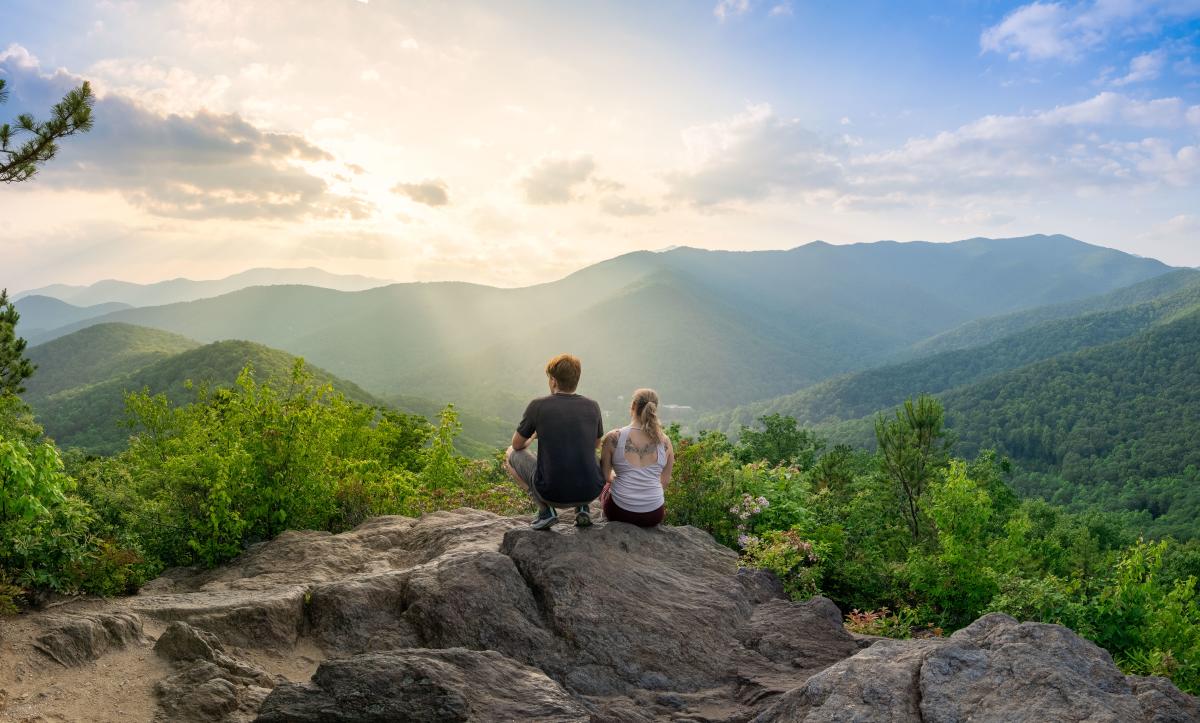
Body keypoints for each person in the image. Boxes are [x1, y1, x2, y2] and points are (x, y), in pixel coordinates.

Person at [505, 353, 605, 530]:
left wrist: (533, 436)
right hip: (590, 491)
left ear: (553, 380)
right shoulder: (593, 406)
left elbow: (517, 445)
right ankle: (582, 507)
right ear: (576, 379)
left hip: (552, 493)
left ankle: (546, 511)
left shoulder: (538, 406)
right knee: (590, 454)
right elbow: (596, 444)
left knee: (510, 454)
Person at [599, 388, 673, 527]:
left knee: (607, 486)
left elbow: (605, 476)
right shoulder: (665, 442)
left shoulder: (614, 437)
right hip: (653, 514)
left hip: (619, 511)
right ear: (654, 409)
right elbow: (664, 482)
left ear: (633, 405)